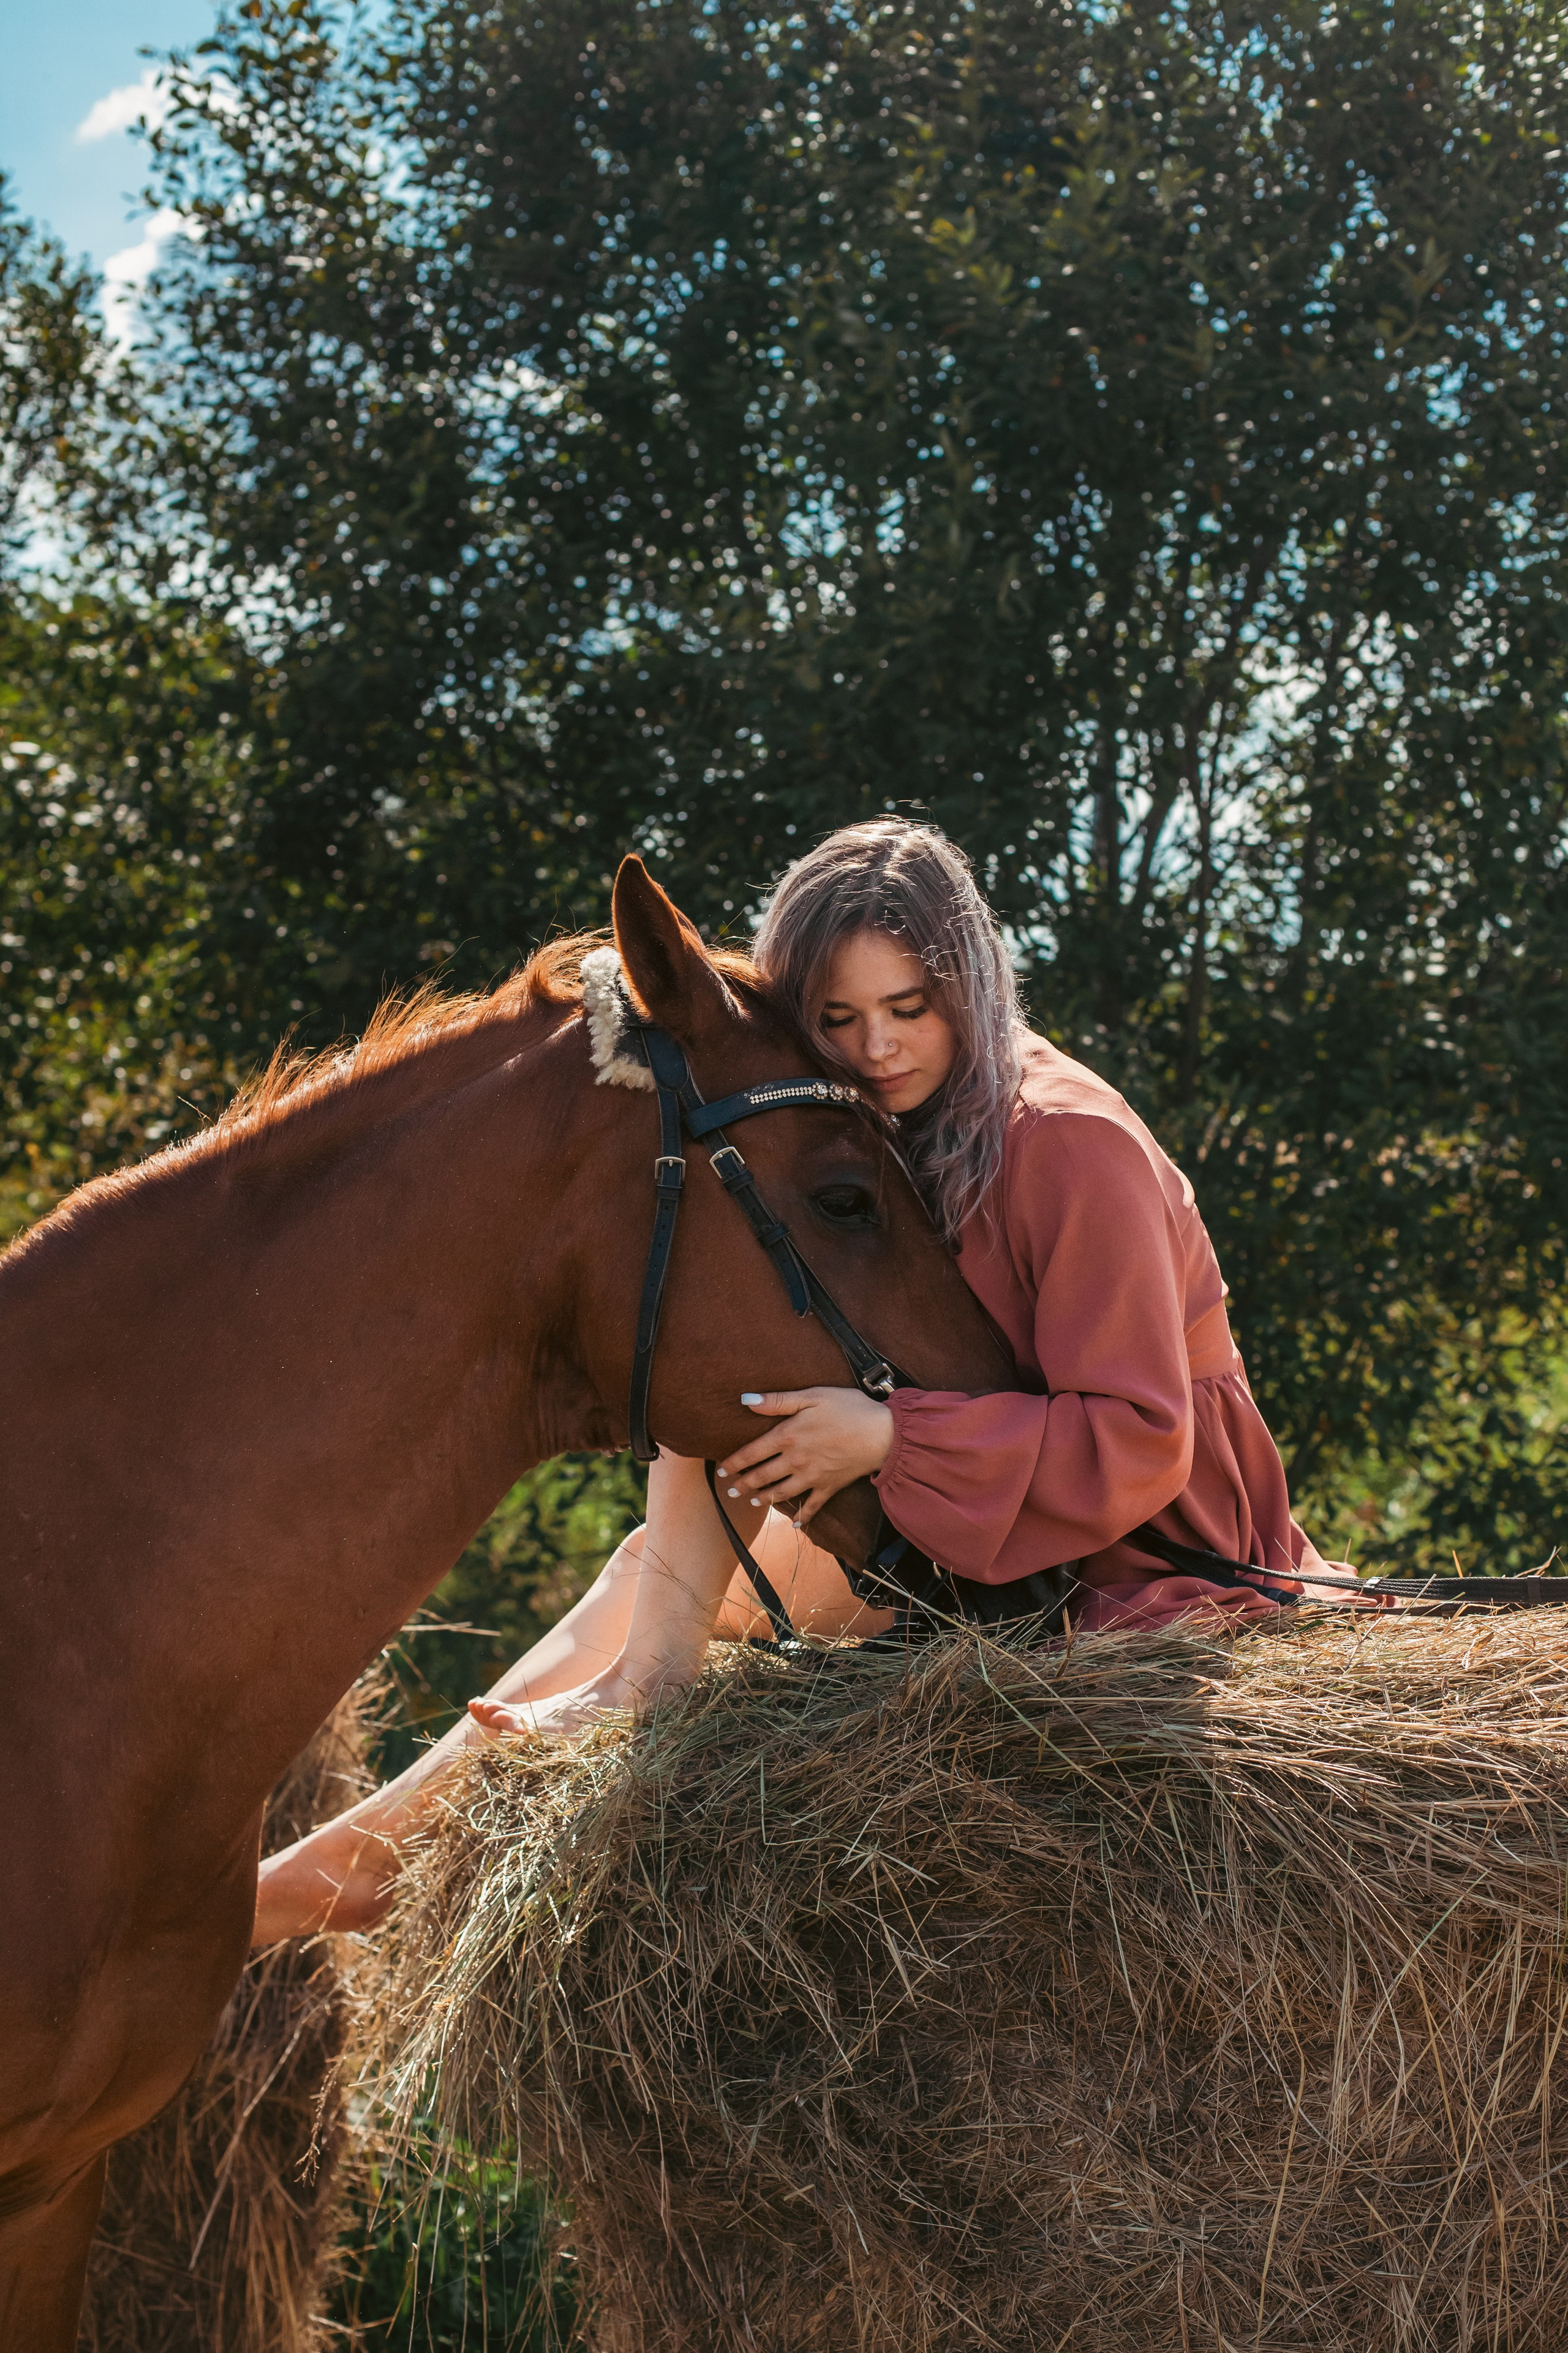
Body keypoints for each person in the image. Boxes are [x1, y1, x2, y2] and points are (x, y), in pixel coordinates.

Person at [253, 818, 1332, 1943]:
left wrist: (887, 1442)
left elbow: (1142, 1436)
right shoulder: (863, 1116)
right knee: (679, 1468)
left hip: (1122, 1529)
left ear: (970, 981)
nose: (877, 1048)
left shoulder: (1066, 1143)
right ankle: (353, 1858)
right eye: (838, 1018)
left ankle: (338, 1874)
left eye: (911, 1007)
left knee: (667, 1581)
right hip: (961, 1489)